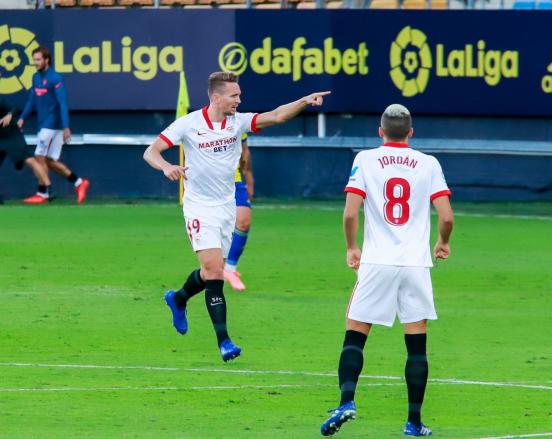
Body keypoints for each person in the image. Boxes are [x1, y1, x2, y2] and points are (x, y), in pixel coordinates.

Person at [143, 71, 329, 362]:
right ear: (216, 97)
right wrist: (166, 166)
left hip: (226, 207)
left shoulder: (237, 122)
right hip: (199, 207)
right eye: (234, 96)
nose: (239, 100)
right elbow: (151, 151)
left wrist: (303, 101)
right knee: (215, 272)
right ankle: (224, 341)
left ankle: (178, 299)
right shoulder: (189, 124)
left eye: (239, 96)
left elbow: (277, 115)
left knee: (209, 271)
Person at [320, 104, 454, 437]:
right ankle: (413, 422)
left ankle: (347, 401)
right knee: (416, 345)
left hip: (377, 261)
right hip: (415, 264)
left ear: (380, 132)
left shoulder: (365, 159)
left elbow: (351, 213)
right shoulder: (429, 163)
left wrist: (352, 247)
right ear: (411, 132)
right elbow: (447, 216)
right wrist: (442, 242)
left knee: (355, 333)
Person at [17, 46, 90, 205]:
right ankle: (79, 183)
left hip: (53, 125)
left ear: (46, 60)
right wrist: (22, 117)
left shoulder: (56, 78)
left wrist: (66, 126)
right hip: (43, 124)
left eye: (38, 59)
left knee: (39, 157)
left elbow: (62, 103)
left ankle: (43, 192)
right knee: (49, 161)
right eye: (34, 59)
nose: (35, 62)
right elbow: (31, 100)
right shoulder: (36, 77)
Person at [0, 97, 50, 202]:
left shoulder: (1, 100)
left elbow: (15, 108)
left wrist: (9, 115)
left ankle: (48, 188)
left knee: (29, 160)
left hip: (12, 135)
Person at [223, 132, 253, 292]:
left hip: (234, 180)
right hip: (210, 183)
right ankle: (214, 268)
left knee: (244, 221)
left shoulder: (238, 123)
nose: (236, 104)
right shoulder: (200, 122)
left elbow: (245, 152)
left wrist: (249, 178)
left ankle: (230, 268)